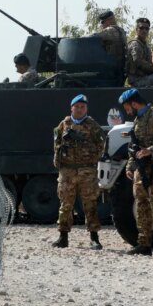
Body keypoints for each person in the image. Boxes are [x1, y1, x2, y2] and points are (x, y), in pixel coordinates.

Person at [119, 88, 153, 257]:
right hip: (140, 168)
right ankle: (144, 243)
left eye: (127, 107)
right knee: (141, 204)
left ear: (134, 103)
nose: (127, 111)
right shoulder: (138, 120)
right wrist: (130, 165)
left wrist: (151, 150)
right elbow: (134, 146)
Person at [52, 94, 106, 249]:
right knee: (65, 204)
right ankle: (63, 237)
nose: (80, 109)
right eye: (77, 107)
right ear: (72, 108)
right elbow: (56, 144)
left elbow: (101, 145)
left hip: (87, 170)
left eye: (83, 107)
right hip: (67, 170)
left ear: (86, 109)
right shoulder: (64, 124)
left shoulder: (92, 125)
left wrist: (89, 151)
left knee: (90, 204)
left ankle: (94, 237)